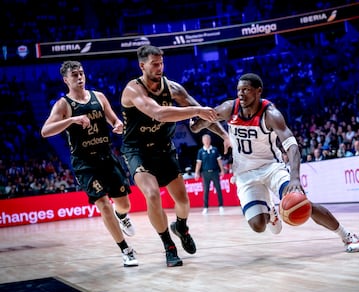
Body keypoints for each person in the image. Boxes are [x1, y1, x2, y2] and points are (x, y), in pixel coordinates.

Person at [190, 73, 359, 253]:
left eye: (246, 90)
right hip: (244, 173)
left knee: (303, 203)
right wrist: (196, 124)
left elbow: (292, 146)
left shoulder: (270, 114)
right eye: (239, 90)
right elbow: (205, 121)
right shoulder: (229, 108)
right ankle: (271, 212)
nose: (241, 94)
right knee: (258, 226)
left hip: (272, 167)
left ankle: (346, 235)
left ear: (258, 92)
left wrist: (295, 178)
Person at [120, 45, 225, 267]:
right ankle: (168, 245)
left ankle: (181, 227)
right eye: (154, 64)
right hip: (137, 150)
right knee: (152, 195)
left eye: (161, 63)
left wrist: (225, 135)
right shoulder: (133, 90)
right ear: (142, 66)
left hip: (163, 148)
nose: (160, 68)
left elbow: (204, 113)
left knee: (183, 201)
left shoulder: (174, 89)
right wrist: (195, 111)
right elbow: (158, 113)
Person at [41, 60, 138, 267]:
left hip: (107, 158)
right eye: (74, 74)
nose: (79, 77)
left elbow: (114, 120)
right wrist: (71, 121)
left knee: (124, 204)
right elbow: (45, 131)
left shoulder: (99, 97)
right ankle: (126, 250)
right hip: (85, 163)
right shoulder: (63, 105)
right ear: (66, 79)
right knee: (102, 203)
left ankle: (122, 216)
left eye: (81, 73)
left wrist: (118, 124)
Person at [194, 133, 225, 215]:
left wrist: (222, 170)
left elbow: (219, 161)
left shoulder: (215, 149)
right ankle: (205, 207)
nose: (206, 141)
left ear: (210, 140)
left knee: (218, 189)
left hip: (215, 172)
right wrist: (196, 173)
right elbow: (198, 163)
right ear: (202, 141)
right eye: (205, 140)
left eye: (208, 140)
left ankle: (221, 206)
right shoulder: (200, 151)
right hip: (205, 173)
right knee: (206, 191)